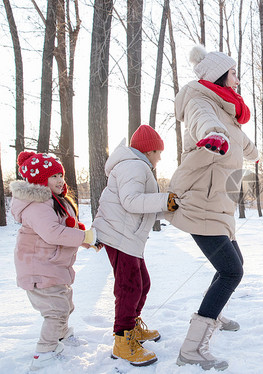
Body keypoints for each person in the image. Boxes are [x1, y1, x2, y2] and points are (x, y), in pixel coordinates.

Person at [167, 45, 258, 371]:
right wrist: (212, 136)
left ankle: (214, 311)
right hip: (200, 202)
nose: (237, 78)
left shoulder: (226, 109)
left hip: (220, 202)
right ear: (220, 74)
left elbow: (238, 138)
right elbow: (204, 123)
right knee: (232, 271)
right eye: (233, 72)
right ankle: (191, 348)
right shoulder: (199, 100)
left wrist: (253, 152)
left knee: (234, 265)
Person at [92, 125, 179, 367]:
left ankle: (133, 327)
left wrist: (168, 207)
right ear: (149, 150)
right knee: (129, 287)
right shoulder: (134, 165)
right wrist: (164, 199)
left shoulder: (137, 166)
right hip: (119, 235)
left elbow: (141, 206)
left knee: (142, 283)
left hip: (127, 235)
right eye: (159, 152)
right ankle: (122, 341)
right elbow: (131, 202)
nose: (160, 157)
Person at [10, 151, 96, 371]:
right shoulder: (36, 205)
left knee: (65, 304)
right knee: (55, 311)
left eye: (61, 175)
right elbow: (53, 233)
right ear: (40, 180)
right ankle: (44, 352)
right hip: (38, 267)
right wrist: (84, 237)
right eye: (54, 176)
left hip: (53, 266)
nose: (60, 180)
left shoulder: (55, 201)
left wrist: (87, 241)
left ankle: (62, 335)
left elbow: (69, 229)